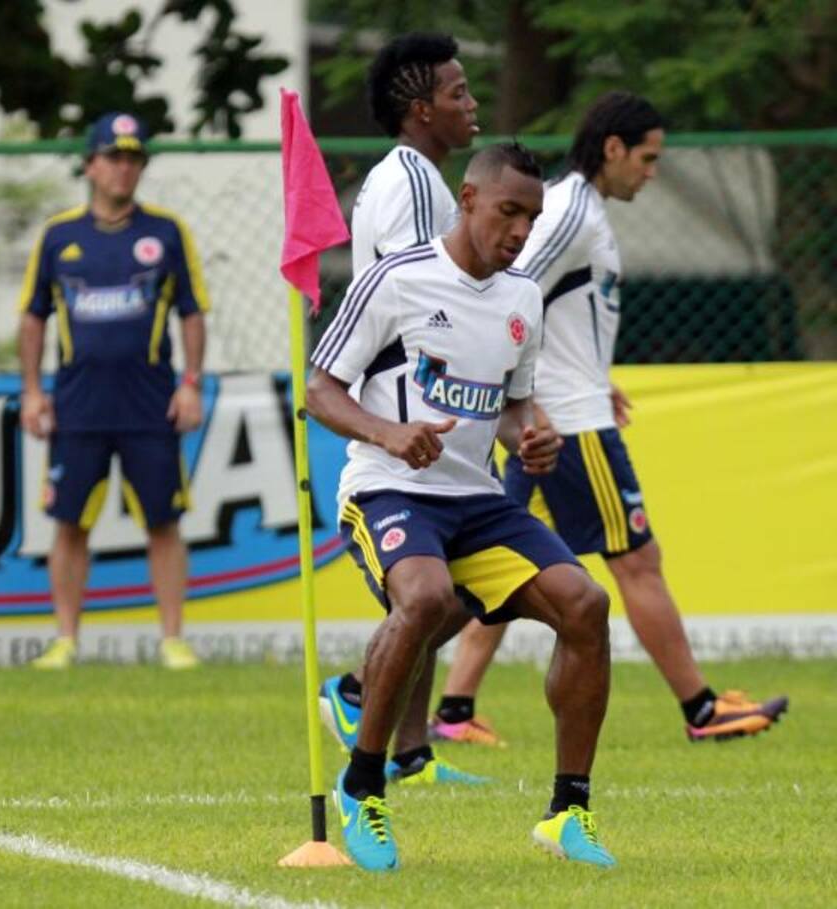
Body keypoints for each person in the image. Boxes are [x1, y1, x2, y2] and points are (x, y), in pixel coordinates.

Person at [433, 92, 788, 746]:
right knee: (637, 561)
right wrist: (535, 401)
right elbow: (510, 293)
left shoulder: (580, 209)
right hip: (569, 425)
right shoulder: (570, 211)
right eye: (647, 158)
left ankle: (445, 706)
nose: (651, 172)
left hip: (568, 408)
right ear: (614, 149)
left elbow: (545, 311)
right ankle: (702, 709)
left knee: (499, 567)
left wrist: (597, 374)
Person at [308, 143, 616, 871]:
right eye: (509, 211)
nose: (519, 230)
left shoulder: (520, 297)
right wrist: (390, 431)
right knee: (424, 596)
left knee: (586, 604)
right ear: (469, 200)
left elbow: (513, 407)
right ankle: (363, 789)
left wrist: (531, 438)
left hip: (473, 500)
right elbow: (320, 387)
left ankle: (568, 810)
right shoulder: (397, 279)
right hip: (386, 486)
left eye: (532, 218)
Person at [316, 32, 496, 778]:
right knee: (471, 584)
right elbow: (425, 292)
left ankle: (414, 749)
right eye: (458, 93)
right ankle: (359, 690)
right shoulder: (419, 183)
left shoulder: (400, 175)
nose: (472, 104)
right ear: (421, 111)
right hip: (415, 413)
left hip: (417, 408)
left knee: (436, 588)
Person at [17, 112, 208, 671]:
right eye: (114, 157)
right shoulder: (59, 235)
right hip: (77, 404)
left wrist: (191, 384)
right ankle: (65, 638)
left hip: (151, 402)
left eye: (134, 158)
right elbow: (32, 318)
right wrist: (32, 391)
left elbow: (192, 313)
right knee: (69, 522)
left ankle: (172, 638)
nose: (125, 169)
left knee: (163, 521)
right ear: (90, 164)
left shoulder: (166, 231)